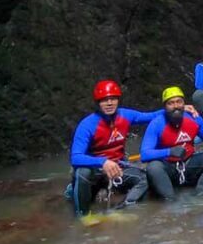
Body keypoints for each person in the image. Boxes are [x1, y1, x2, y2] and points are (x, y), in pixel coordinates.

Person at [68, 80, 161, 216]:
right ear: (98, 102)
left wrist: (180, 108)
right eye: (105, 100)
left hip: (117, 167)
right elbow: (75, 157)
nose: (110, 103)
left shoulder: (125, 115)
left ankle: (120, 210)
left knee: (146, 178)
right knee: (83, 172)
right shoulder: (87, 125)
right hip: (95, 169)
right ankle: (83, 216)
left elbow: (151, 116)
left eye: (113, 99)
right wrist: (103, 162)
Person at [140, 86, 203, 200]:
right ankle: (170, 200)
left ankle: (199, 195)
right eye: (171, 103)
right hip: (167, 166)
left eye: (179, 102)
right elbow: (145, 154)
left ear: (184, 103)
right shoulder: (157, 124)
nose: (176, 106)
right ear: (165, 107)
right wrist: (169, 152)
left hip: (188, 164)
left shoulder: (193, 118)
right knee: (153, 167)